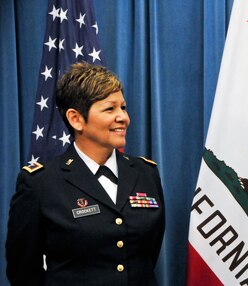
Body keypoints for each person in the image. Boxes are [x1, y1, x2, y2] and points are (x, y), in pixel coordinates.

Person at [6, 62, 165, 285]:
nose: (123, 117)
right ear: (76, 119)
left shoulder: (146, 173)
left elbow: (148, 256)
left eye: (123, 107)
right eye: (110, 109)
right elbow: (23, 272)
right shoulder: (40, 184)